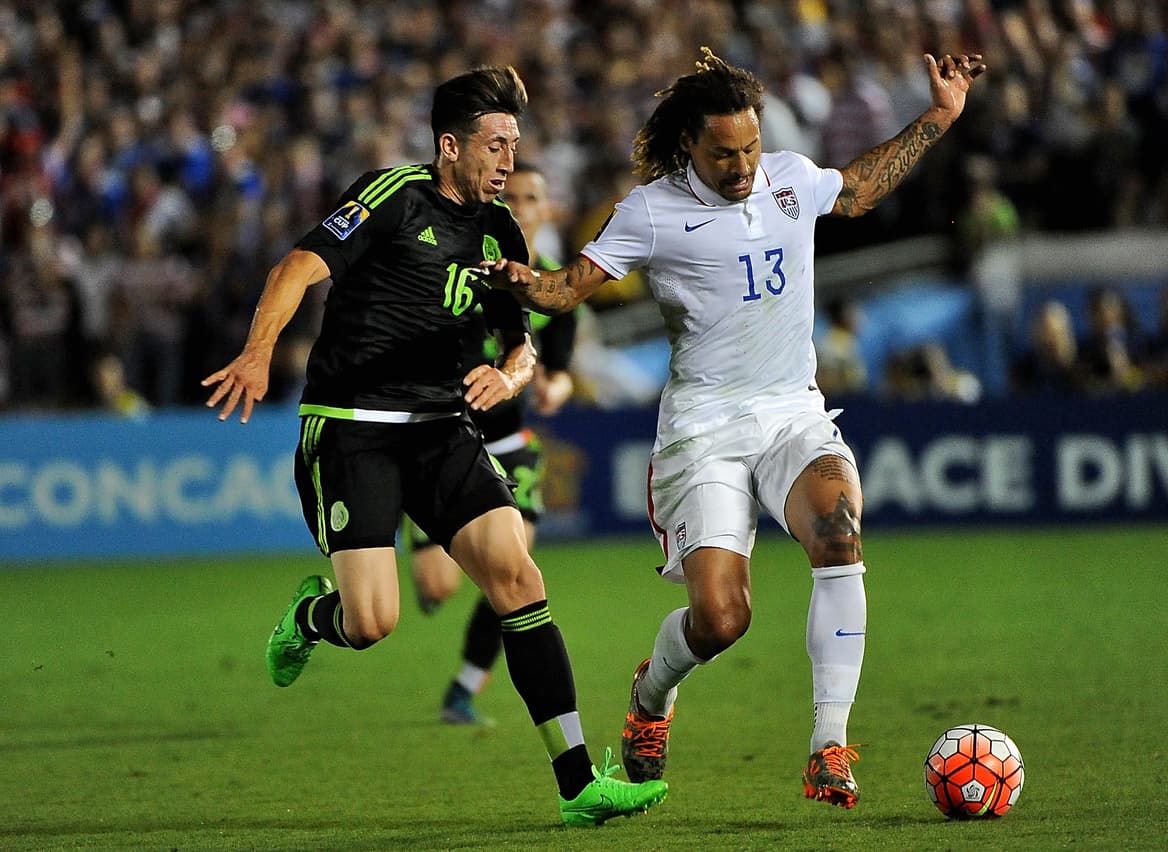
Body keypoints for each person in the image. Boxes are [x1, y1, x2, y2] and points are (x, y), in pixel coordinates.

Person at [482, 46, 986, 808]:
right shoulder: (650, 212)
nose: (743, 166)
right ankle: (651, 695)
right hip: (704, 428)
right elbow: (567, 289)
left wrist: (940, 116)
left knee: (840, 533)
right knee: (722, 619)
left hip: (792, 411)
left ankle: (828, 746)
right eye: (724, 154)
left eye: (750, 147)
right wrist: (524, 284)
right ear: (689, 143)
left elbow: (857, 189)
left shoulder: (789, 178)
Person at [200, 65, 666, 827]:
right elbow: (297, 267)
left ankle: (578, 783)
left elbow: (522, 345)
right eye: (494, 145)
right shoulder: (393, 195)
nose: (508, 160)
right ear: (450, 146)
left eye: (514, 145)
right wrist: (258, 352)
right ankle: (311, 618)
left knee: (519, 578)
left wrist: (509, 378)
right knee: (371, 622)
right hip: (352, 425)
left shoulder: (501, 230)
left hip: (442, 426)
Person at [403, 163, 579, 726]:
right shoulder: (461, 269)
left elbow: (562, 369)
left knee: (513, 570)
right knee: (438, 587)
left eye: (531, 198)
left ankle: (463, 689)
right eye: (513, 197)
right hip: (445, 440)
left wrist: (554, 386)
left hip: (510, 444)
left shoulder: (555, 287)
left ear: (546, 209)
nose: (521, 207)